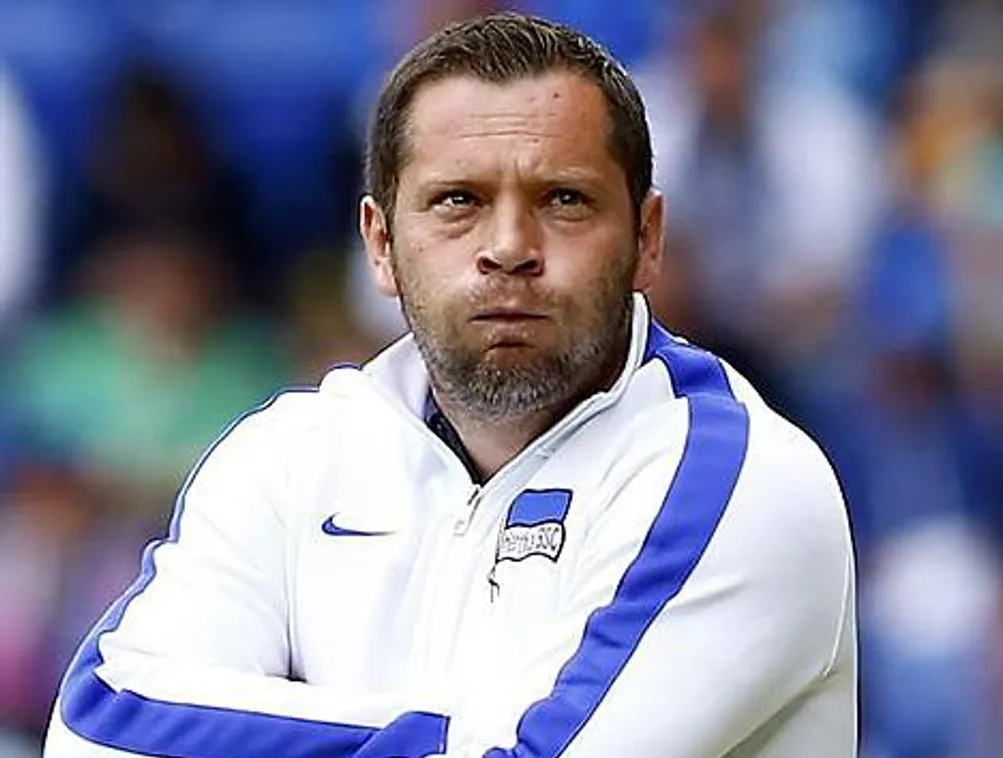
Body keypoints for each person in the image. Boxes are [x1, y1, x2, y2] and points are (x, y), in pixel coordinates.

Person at [43, 12, 857, 758]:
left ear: (646, 238)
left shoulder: (740, 479)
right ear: (380, 245)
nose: (508, 246)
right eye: (457, 201)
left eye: (563, 200)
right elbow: (99, 727)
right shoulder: (287, 458)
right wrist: (466, 733)